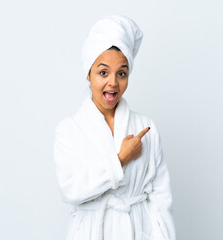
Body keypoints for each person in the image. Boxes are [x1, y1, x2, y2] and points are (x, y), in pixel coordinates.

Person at [53, 15, 176, 240]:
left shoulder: (146, 127)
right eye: (103, 72)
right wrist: (119, 160)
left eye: (122, 73)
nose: (113, 82)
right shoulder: (69, 130)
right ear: (88, 74)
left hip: (138, 233)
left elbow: (161, 200)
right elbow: (71, 189)